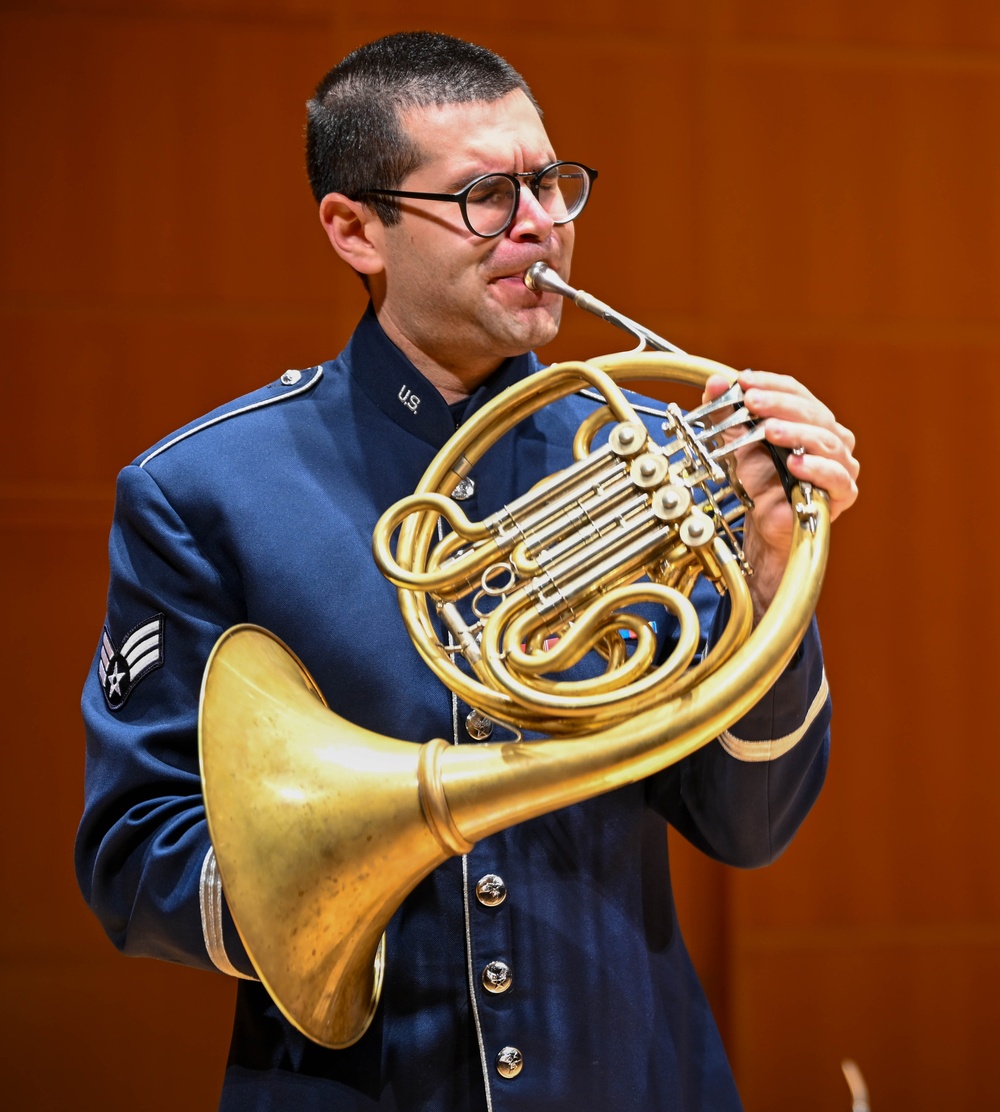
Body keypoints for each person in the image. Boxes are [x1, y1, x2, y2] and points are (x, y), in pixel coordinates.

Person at [75, 30, 859, 1112]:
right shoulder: (209, 488)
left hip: (630, 1071)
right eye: (486, 194)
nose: (539, 224)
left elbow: (751, 826)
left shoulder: (658, 455)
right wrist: (331, 873)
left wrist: (772, 575)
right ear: (356, 228)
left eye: (551, 182)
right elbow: (134, 854)